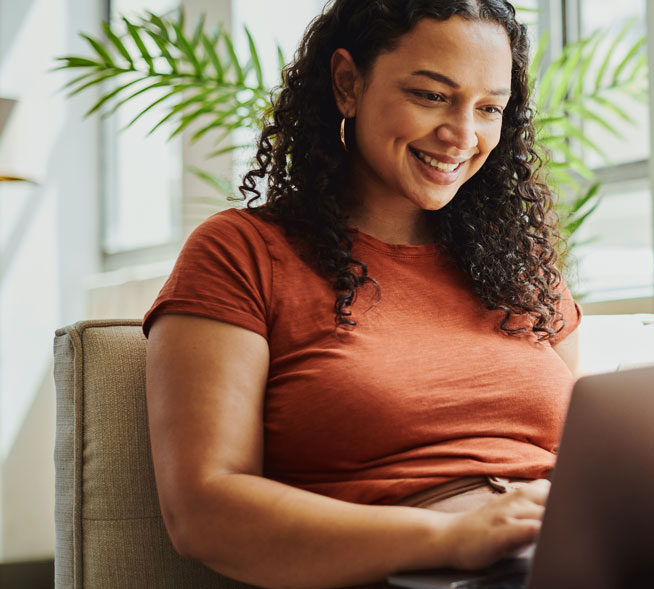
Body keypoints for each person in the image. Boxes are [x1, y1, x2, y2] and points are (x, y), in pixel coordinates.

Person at [144, 1, 576, 587]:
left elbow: (586, 449)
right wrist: (451, 538)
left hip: (563, 553)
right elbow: (203, 511)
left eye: (489, 108)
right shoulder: (240, 253)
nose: (463, 135)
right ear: (348, 83)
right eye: (430, 95)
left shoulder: (520, 267)